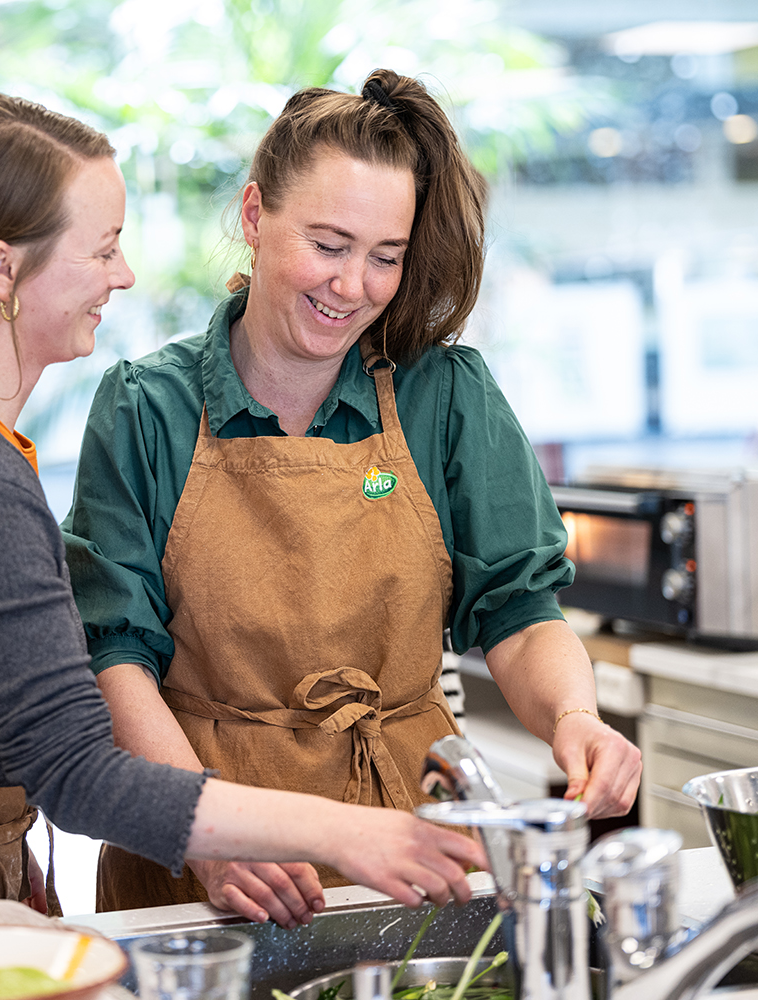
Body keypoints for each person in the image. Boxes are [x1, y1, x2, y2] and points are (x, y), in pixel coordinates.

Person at [0, 92, 484, 922]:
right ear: (2, 269)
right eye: (103, 250)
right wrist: (350, 835)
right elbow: (77, 770)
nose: (122, 276)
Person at [62, 69, 645, 923]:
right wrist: (205, 833)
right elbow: (116, 657)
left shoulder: (445, 397)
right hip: (213, 855)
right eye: (329, 246)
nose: (353, 287)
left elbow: (519, 611)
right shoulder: (147, 409)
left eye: (386, 257)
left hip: (412, 843)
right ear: (256, 217)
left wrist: (575, 715)